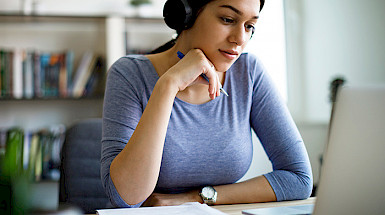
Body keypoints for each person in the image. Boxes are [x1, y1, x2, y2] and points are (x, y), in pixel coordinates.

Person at [101, 0, 313, 208]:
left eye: (249, 26)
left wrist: (196, 197)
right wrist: (168, 85)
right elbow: (126, 198)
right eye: (228, 19)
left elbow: (299, 179)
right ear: (186, 14)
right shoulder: (129, 74)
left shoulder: (248, 73)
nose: (240, 39)